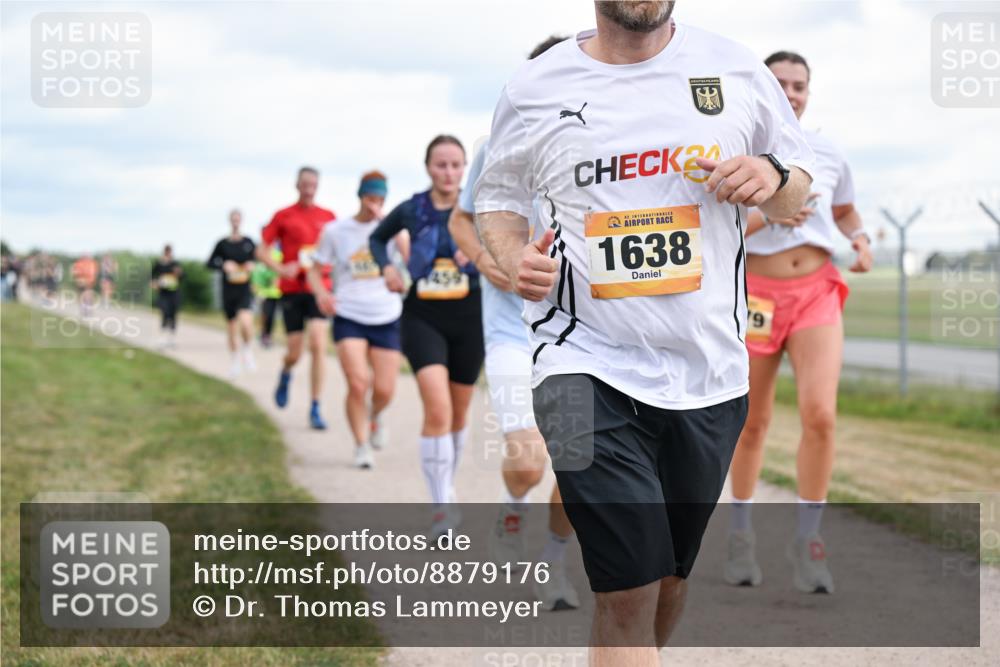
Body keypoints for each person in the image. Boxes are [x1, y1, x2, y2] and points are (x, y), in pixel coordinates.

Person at [476, 2, 814, 662]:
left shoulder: (735, 69)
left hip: (708, 374)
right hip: (579, 360)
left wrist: (773, 175)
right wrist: (514, 258)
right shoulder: (535, 87)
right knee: (628, 589)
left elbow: (796, 190)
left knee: (666, 584)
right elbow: (498, 199)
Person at [724, 50, 872, 594]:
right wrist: (773, 212)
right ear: (761, 89)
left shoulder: (825, 150)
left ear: (809, 93)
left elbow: (844, 211)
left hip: (816, 290)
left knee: (821, 415)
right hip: (757, 296)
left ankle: (809, 539)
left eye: (799, 85)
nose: (790, 93)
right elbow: (716, 228)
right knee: (752, 421)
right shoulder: (735, 149)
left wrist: (861, 239)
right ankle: (740, 534)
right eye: (779, 83)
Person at [447, 35, 579, 612]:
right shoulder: (497, 145)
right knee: (528, 461)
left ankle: (553, 562)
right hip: (511, 332)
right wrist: (486, 258)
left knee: (579, 470)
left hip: (580, 338)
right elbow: (461, 219)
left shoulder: (601, 146)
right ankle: (512, 503)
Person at [369, 135, 481, 537]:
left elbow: (510, 241)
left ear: (465, 167)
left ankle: (446, 485)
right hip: (422, 317)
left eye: (455, 165)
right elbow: (377, 238)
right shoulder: (412, 208)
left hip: (471, 317)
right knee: (438, 409)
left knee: (459, 414)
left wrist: (481, 250)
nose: (448, 173)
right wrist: (387, 268)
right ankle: (440, 509)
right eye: (440, 164)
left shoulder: (479, 207)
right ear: (428, 167)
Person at [309, 171, 409, 469]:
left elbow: (410, 255)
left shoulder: (392, 229)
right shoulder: (336, 231)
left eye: (379, 199)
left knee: (385, 390)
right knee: (358, 383)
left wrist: (388, 224)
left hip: (386, 314)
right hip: (349, 314)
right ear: (360, 196)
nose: (374, 203)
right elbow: (315, 270)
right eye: (370, 197)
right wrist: (322, 294)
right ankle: (361, 444)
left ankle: (375, 415)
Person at [257, 167, 336, 430]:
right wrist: (281, 269)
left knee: (318, 344)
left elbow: (339, 250)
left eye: (313, 184)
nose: (309, 189)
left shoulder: (328, 217)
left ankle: (315, 406)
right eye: (305, 184)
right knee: (295, 352)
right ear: (297, 185)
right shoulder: (283, 215)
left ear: (318, 186)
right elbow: (262, 251)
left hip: (319, 288)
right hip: (292, 290)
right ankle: (286, 372)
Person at [207, 209, 258, 378]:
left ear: (241, 221)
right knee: (231, 328)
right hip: (228, 290)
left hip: (244, 289)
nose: (235, 222)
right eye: (233, 219)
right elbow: (209, 263)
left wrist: (252, 264)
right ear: (230, 221)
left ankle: (247, 349)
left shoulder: (249, 242)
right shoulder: (222, 244)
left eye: (238, 219)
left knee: (246, 322)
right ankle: (235, 361)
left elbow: (258, 259)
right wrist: (223, 265)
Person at [252, 242, 283, 348]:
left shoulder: (278, 255)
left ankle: (269, 335)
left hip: (280, 292)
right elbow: (256, 277)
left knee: (278, 316)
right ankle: (265, 334)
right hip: (266, 293)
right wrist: (258, 292)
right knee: (267, 315)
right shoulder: (260, 257)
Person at [151, 245, 183, 348]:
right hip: (163, 293)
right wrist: (154, 283)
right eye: (167, 252)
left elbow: (182, 276)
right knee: (164, 313)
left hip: (174, 293)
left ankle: (171, 339)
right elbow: (152, 275)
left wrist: (179, 273)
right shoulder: (159, 263)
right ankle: (162, 337)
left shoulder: (175, 264)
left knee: (173, 314)